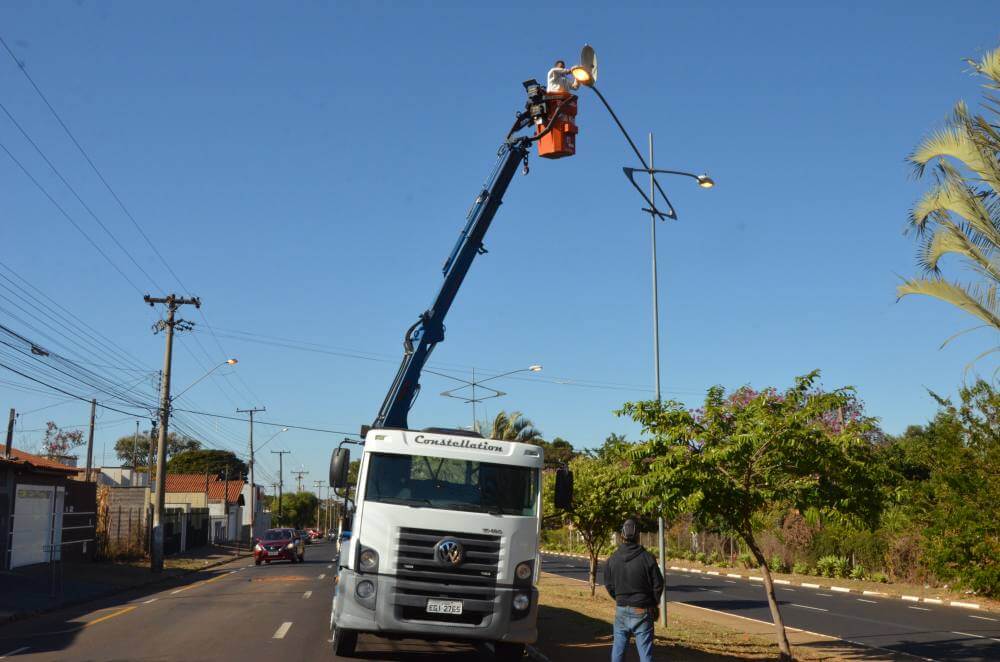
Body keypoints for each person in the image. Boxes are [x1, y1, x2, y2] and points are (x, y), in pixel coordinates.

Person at [604, 519, 664, 662]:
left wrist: (620, 598)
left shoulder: (612, 559)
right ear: (638, 536)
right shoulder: (647, 558)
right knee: (645, 653)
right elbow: (658, 584)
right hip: (642, 610)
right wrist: (653, 603)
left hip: (621, 609)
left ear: (622, 536)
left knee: (618, 649)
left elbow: (609, 585)